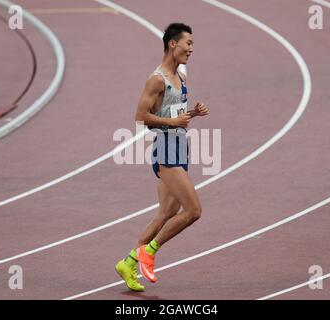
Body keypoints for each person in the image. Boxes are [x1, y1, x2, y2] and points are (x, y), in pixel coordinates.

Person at [115, 22, 210, 291]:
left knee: (166, 213)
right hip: (166, 151)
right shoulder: (157, 79)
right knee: (193, 211)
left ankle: (128, 262)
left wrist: (193, 112)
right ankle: (150, 251)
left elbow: (175, 116)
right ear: (172, 44)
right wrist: (174, 123)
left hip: (181, 149)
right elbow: (141, 117)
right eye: (188, 43)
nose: (191, 49)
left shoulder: (180, 76)